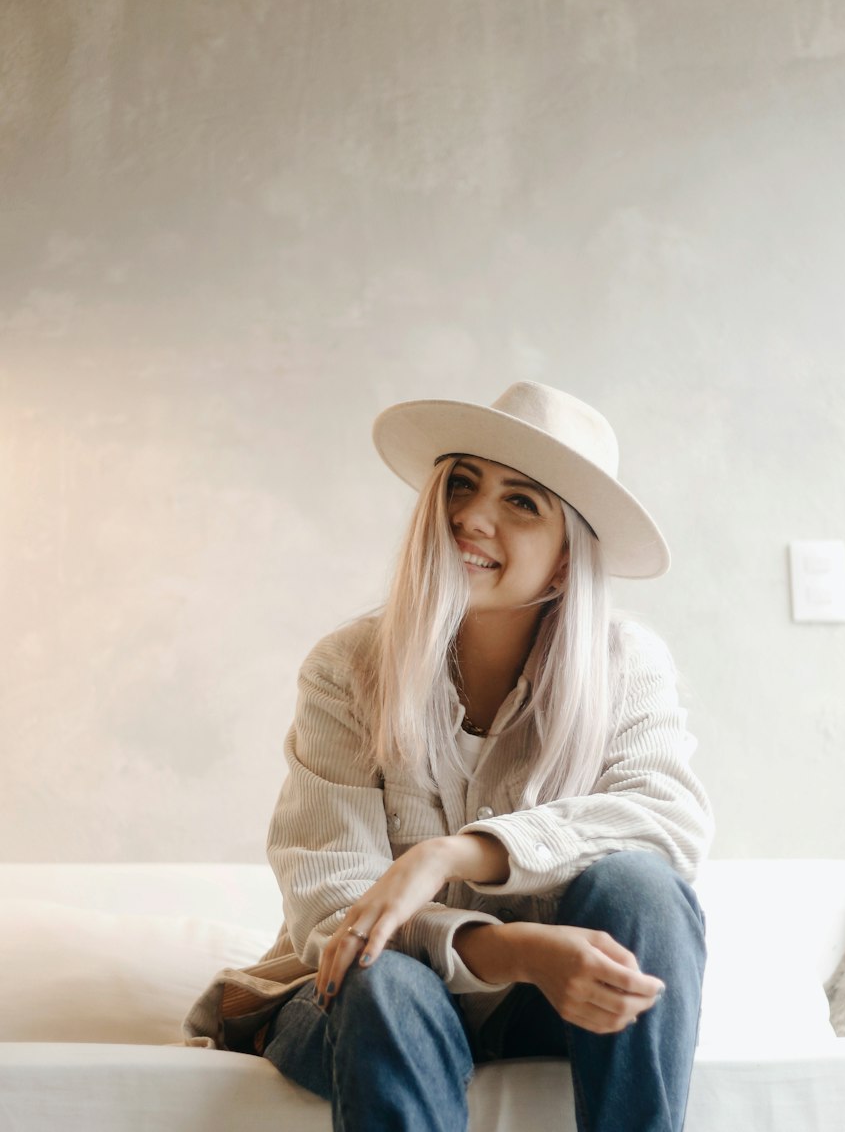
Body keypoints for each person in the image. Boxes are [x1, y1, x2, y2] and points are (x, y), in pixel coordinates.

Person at [206, 381, 713, 1131]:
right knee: (381, 979)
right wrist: (513, 949)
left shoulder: (626, 662)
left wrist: (456, 855)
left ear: (569, 562)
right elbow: (335, 907)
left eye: (522, 502)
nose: (471, 516)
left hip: (541, 1013)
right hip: (373, 1006)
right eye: (465, 483)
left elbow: (668, 819)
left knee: (641, 885)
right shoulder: (347, 668)